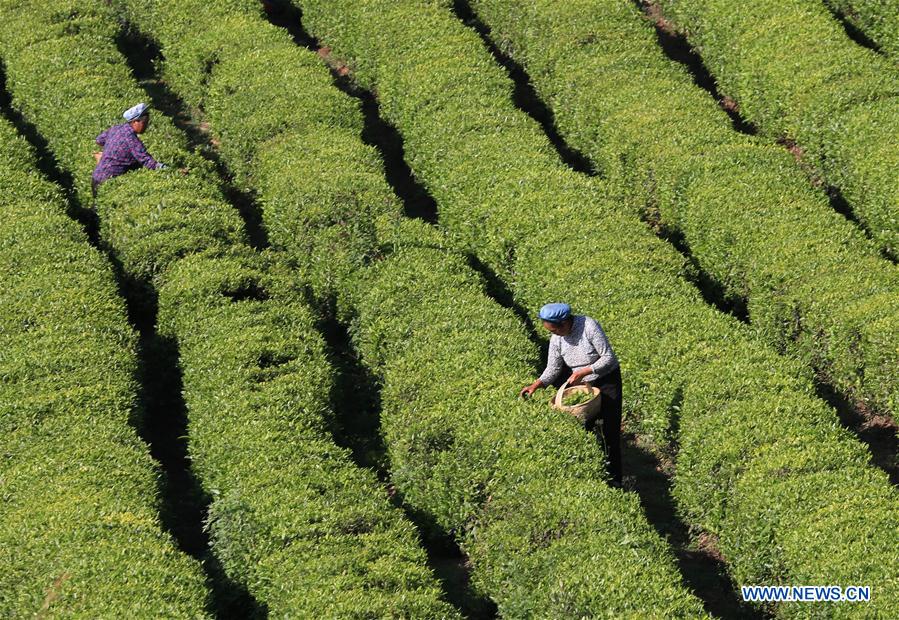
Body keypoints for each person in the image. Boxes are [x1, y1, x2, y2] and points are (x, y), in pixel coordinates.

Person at [520, 302, 623, 487]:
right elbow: (553, 367)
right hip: (583, 385)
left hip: (607, 380)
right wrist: (537, 384)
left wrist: (585, 371)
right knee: (586, 429)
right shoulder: (556, 338)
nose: (554, 334)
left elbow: (609, 357)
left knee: (610, 430)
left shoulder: (588, 326)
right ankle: (598, 477)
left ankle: (616, 479)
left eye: (555, 330)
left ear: (565, 322)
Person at [91, 102, 167, 202]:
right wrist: (167, 169)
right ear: (135, 122)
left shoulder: (116, 128)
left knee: (97, 208)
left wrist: (111, 152)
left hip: (96, 176)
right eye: (144, 123)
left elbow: (99, 140)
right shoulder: (131, 139)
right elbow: (147, 161)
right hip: (108, 181)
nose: (146, 126)